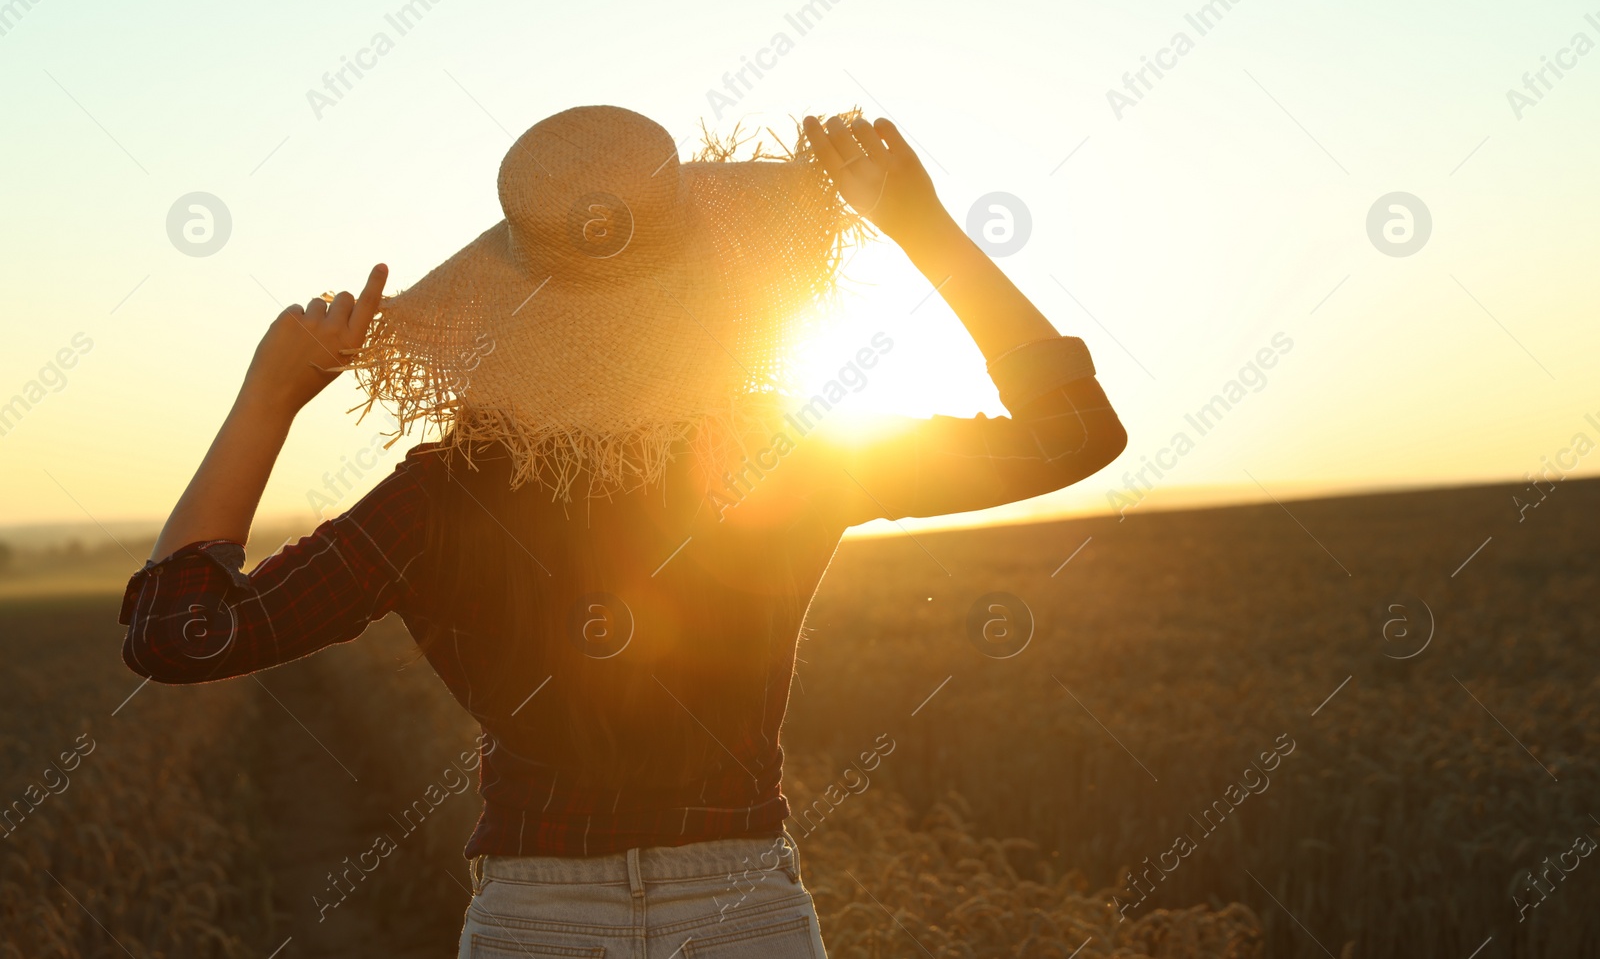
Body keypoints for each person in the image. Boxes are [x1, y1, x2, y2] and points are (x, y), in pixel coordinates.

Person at [119, 106, 1127, 957]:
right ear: (720, 288)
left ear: (507, 313)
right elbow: (1073, 434)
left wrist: (270, 396)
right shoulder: (785, 455)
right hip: (746, 908)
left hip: (533, 916)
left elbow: (180, 632)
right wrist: (922, 226)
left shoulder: (437, 497)